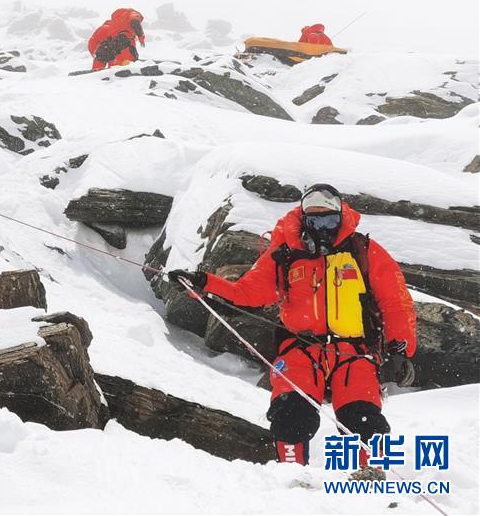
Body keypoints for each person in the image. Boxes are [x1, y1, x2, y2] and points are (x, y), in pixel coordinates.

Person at [169, 184, 416, 469]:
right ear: (304, 219)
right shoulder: (285, 254)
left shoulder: (363, 250)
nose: (322, 227)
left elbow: (396, 303)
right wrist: (204, 283)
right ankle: (291, 478)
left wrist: (401, 350)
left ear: (340, 217)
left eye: (329, 220)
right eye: (315, 220)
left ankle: (370, 478)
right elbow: (247, 293)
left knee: (363, 420)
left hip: (354, 353)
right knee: (291, 415)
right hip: (301, 349)